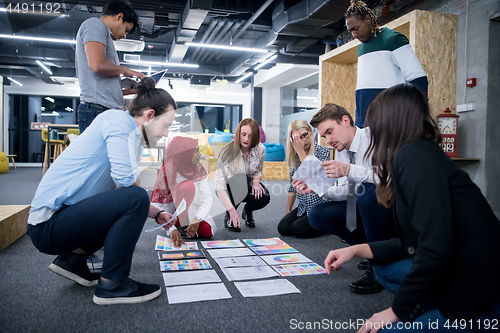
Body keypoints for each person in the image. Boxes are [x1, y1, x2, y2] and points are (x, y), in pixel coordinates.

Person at [324, 84, 500, 332]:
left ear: (389, 124)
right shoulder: (413, 154)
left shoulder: (415, 157)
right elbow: (414, 241)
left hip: (480, 287)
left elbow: (433, 247)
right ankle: (429, 304)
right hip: (459, 265)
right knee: (382, 268)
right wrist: (356, 250)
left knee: (383, 329)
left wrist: (395, 311)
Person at [27, 77, 177, 305]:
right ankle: (113, 284)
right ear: (149, 116)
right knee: (135, 197)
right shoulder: (119, 121)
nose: (166, 134)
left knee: (131, 200)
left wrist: (156, 213)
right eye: (166, 125)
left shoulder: (130, 136)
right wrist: (150, 209)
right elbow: (126, 185)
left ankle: (72, 261)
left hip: (60, 220)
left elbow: (121, 194)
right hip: (47, 225)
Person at [292, 103, 393, 294]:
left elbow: (390, 178)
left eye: (330, 132)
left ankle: (381, 265)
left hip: (391, 205)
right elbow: (347, 191)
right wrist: (316, 189)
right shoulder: (342, 150)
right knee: (316, 215)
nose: (328, 140)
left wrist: (349, 170)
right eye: (324, 136)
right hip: (365, 205)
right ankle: (370, 252)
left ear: (345, 121)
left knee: (366, 191)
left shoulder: (376, 137)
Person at [344, 0, 428, 128]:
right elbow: (363, 88)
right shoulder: (361, 48)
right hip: (366, 121)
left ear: (367, 19)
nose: (354, 35)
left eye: (355, 29)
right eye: (350, 31)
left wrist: (419, 116)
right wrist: (359, 122)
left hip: (391, 119)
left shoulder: (393, 39)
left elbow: (418, 78)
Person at [76, 0, 145, 134]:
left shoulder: (102, 32)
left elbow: (99, 83)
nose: (124, 36)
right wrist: (126, 71)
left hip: (101, 110)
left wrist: (125, 92)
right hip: (97, 111)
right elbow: (97, 65)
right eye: (126, 30)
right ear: (119, 17)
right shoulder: (95, 25)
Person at [151, 136, 217, 247]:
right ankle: (178, 224)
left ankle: (186, 224)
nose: (199, 154)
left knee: (207, 231)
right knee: (188, 186)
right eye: (196, 151)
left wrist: (197, 218)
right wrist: (171, 228)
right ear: (185, 154)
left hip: (192, 210)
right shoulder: (167, 170)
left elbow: (207, 198)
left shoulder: (198, 169)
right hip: (170, 214)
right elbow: (155, 204)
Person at [214, 118, 270, 232]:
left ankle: (248, 211)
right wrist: (231, 210)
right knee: (240, 179)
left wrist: (256, 181)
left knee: (264, 197)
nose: (246, 139)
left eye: (250, 136)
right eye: (243, 134)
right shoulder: (227, 152)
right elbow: (219, 186)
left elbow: (258, 170)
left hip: (246, 184)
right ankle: (229, 215)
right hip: (229, 189)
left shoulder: (261, 148)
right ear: (238, 133)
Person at [277, 119, 329, 238]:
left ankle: (329, 224)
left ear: (310, 132)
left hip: (320, 206)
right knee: (283, 228)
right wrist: (288, 209)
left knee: (298, 229)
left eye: (304, 135)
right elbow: (292, 185)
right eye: (298, 139)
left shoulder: (323, 152)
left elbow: (314, 178)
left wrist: (300, 150)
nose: (303, 141)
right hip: (304, 206)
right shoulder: (293, 157)